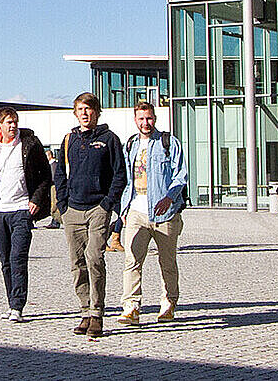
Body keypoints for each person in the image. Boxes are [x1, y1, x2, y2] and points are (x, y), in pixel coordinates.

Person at [54, 92, 126, 339]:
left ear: (97, 112)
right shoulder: (69, 140)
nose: (85, 113)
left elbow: (120, 175)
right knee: (77, 263)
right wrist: (62, 205)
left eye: (89, 109)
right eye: (80, 109)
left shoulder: (109, 139)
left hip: (98, 208)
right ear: (75, 113)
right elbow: (60, 174)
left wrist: (107, 204)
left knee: (95, 258)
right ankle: (85, 310)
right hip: (72, 210)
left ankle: (97, 313)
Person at [116, 101, 188, 326]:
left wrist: (169, 197)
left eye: (149, 118)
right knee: (132, 260)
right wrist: (123, 210)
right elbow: (126, 179)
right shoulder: (130, 145)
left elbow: (181, 175)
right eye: (141, 119)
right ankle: (131, 306)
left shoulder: (168, 142)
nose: (145, 123)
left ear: (154, 118)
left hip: (164, 212)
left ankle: (168, 302)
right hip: (136, 210)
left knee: (167, 261)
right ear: (135, 120)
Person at [0, 107, 52, 323]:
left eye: (15, 122)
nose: (13, 126)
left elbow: (46, 176)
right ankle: (11, 303)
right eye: (8, 122)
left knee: (18, 257)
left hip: (22, 210)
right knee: (5, 261)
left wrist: (36, 200)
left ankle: (18, 305)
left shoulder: (29, 144)